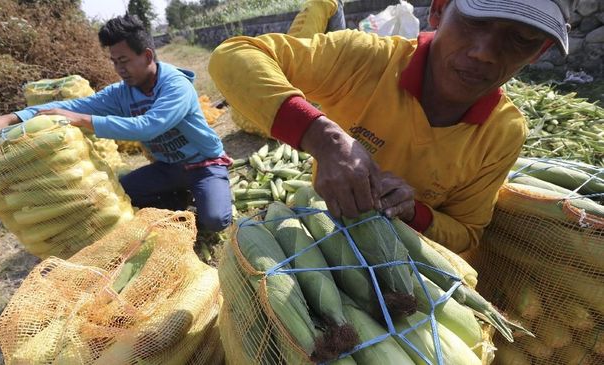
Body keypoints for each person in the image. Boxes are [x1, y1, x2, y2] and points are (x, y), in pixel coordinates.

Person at [209, 0, 575, 253]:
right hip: (324, 233)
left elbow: (466, 233)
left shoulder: (503, 132)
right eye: (476, 22)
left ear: (539, 52)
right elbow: (234, 56)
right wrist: (324, 137)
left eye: (521, 39)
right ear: (438, 10)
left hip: (413, 266)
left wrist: (413, 211)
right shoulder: (366, 62)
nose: (485, 52)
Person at [0, 14, 232, 232]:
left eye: (124, 60)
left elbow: (149, 126)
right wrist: (9, 118)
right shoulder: (122, 92)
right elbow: (69, 107)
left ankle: (208, 192)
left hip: (203, 164)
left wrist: (82, 120)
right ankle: (179, 198)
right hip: (166, 168)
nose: (119, 69)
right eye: (114, 61)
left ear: (147, 56)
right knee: (117, 195)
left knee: (215, 221)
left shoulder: (175, 86)